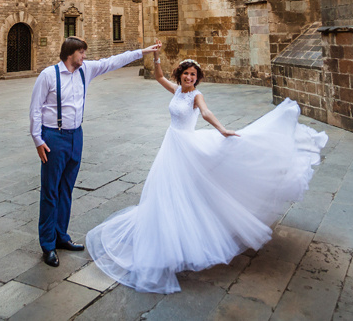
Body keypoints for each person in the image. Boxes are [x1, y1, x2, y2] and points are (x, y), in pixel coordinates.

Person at [86, 43, 328, 293]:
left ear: (197, 78)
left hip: (187, 145)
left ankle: (187, 233)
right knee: (168, 189)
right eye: (186, 73)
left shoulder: (195, 95)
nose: (189, 78)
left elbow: (205, 112)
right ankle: (169, 230)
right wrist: (156, 56)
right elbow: (158, 76)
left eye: (193, 75)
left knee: (188, 189)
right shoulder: (177, 91)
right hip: (171, 144)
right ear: (180, 74)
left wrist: (222, 128)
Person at [30, 36, 161, 267]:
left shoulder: (85, 70)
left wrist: (142, 51)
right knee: (50, 191)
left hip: (75, 135)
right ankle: (48, 245)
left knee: (66, 189)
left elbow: (113, 61)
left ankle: (61, 236)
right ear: (70, 53)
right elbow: (35, 109)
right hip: (53, 136)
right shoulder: (48, 76)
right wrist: (38, 139)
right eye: (82, 52)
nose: (85, 56)